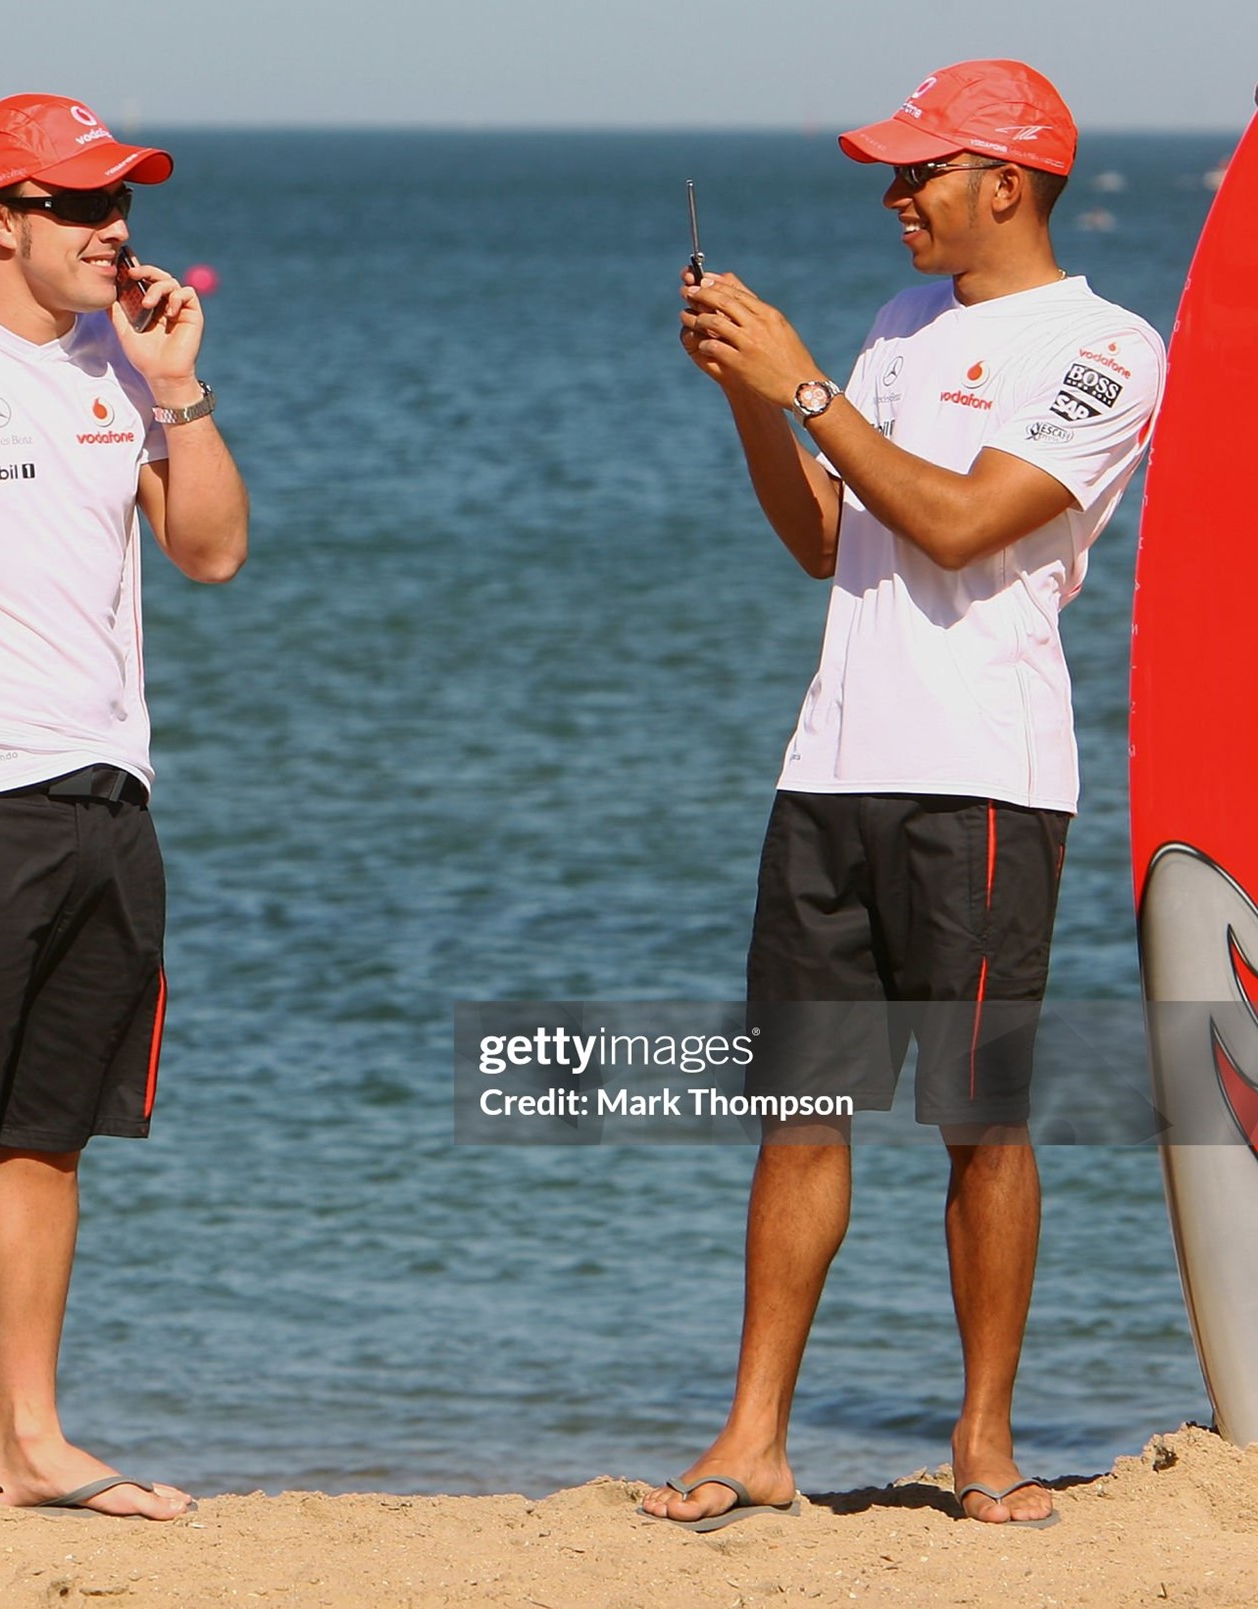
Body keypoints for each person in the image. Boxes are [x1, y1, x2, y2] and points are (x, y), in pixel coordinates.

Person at [641, 60, 1164, 1530]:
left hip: (983, 779)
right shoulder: (896, 326)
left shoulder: (1108, 347)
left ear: (1005, 182)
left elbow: (951, 525)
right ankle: (752, 1439)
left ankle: (983, 1444)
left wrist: (801, 382)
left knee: (978, 1118)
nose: (893, 195)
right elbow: (826, 536)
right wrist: (754, 402)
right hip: (832, 765)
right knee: (799, 1110)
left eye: (918, 170)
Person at [0, 93, 248, 1520]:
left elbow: (210, 552)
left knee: (51, 1132)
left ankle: (33, 1431)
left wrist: (177, 387)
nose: (118, 230)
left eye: (122, 203)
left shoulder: (122, 359)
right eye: (85, 206)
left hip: (111, 794)